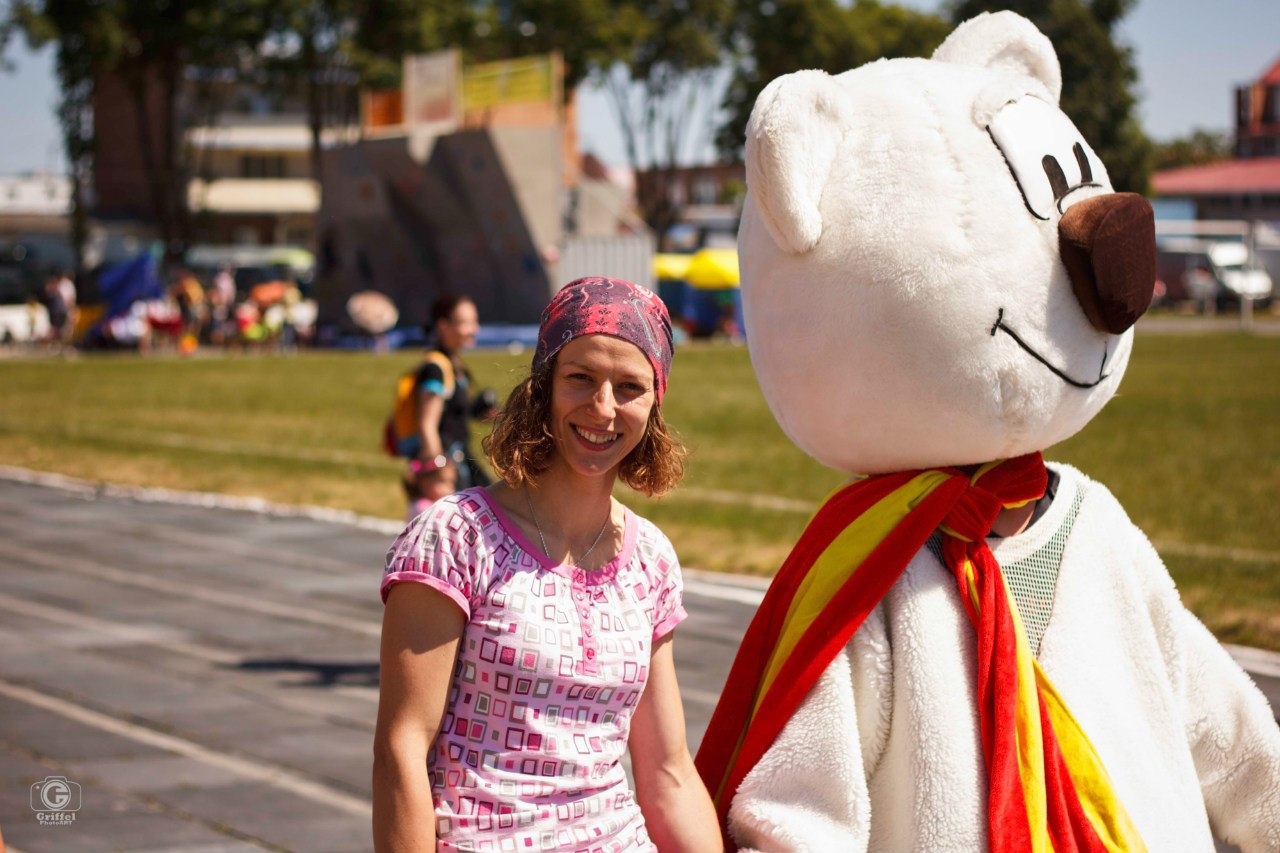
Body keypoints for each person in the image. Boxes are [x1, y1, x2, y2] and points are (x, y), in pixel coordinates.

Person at [374, 277, 721, 853]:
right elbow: (402, 749)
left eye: (629, 386)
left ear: (654, 403)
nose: (603, 408)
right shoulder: (455, 536)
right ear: (544, 388)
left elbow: (667, 770)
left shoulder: (652, 559)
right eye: (581, 378)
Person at [395, 295, 495, 519]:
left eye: (474, 322)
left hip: (460, 457)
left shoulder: (454, 364)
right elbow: (427, 424)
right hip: (448, 462)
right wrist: (438, 471)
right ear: (443, 325)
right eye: (465, 322)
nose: (474, 329)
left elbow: (455, 412)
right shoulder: (435, 367)